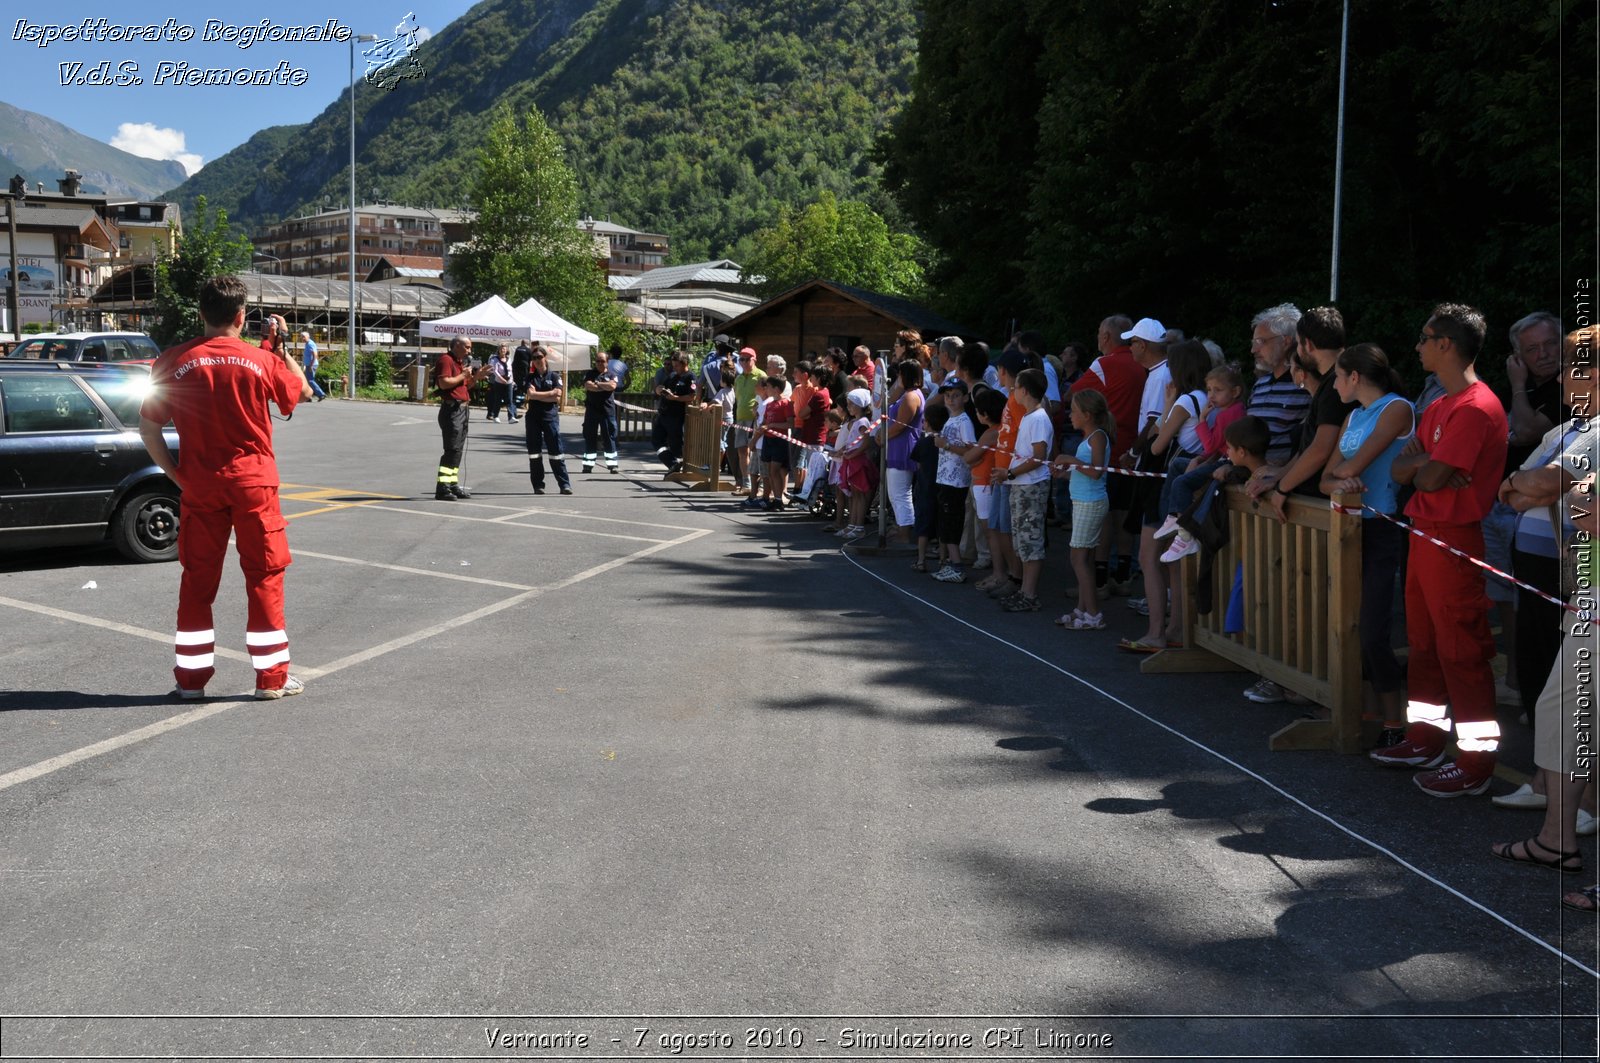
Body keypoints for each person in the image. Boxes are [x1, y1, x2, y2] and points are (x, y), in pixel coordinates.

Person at [137, 275, 312, 700]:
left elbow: (148, 429)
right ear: (241, 316)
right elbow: (303, 392)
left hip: (201, 485)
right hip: (254, 484)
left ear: (201, 314)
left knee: (197, 580)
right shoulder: (261, 360)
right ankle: (271, 679)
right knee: (264, 576)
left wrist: (178, 476)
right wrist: (283, 348)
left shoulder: (173, 361)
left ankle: (190, 682)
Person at [1374, 303, 1509, 797]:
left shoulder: (1474, 407)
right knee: (1425, 643)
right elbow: (1403, 471)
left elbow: (1423, 474)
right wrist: (1428, 466)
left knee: (1462, 651)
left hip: (1454, 539)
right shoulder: (1438, 406)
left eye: (1426, 338)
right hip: (1425, 531)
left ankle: (1475, 763)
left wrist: (1424, 467)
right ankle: (1425, 738)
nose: (1418, 346)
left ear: (1446, 345)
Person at [1318, 344, 1415, 745]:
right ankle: (1364, 709)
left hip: (1384, 527)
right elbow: (1327, 480)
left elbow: (1350, 468)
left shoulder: (1397, 408)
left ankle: (1395, 720)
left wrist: (1342, 475)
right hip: (1349, 529)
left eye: (1338, 376)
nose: (1334, 384)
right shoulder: (1353, 416)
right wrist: (1340, 478)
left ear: (1354, 376)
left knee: (1374, 628)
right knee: (1348, 623)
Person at [1051, 388, 1114, 629]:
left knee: (1078, 559)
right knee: (1082, 558)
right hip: (1082, 500)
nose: (1070, 416)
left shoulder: (1098, 436)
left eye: (1074, 411)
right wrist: (1065, 473)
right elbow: (1085, 473)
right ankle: (1082, 608)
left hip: (1090, 502)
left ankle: (1094, 615)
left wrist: (1071, 460)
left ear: (1087, 415)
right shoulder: (1090, 437)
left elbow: (1097, 472)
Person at [995, 367, 1053, 612]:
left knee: (1030, 541)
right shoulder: (1029, 417)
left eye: (1016, 386)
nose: (1013, 390)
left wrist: (1010, 472)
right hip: (1021, 485)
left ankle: (1029, 594)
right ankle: (1024, 591)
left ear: (1026, 391)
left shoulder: (1038, 418)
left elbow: (1038, 456)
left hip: (1031, 485)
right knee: (1022, 540)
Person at [1245, 303, 1312, 466]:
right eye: (1253, 342)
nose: (1253, 350)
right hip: (1249, 478)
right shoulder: (1259, 385)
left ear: (1286, 341)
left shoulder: (1305, 385)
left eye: (1260, 341)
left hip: (1283, 482)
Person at [431, 337, 489, 500]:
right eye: (467, 347)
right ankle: (442, 488)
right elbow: (444, 383)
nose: (470, 351)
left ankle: (452, 484)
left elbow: (465, 386)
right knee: (452, 450)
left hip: (462, 409)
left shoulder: (458, 362)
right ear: (457, 345)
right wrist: (463, 374)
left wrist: (476, 377)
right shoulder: (446, 360)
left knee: (457, 450)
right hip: (452, 409)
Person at [930, 379, 976, 582]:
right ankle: (951, 562)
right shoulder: (952, 418)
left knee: (951, 522)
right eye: (947, 395)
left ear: (965, 397)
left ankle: (957, 566)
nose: (950, 399)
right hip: (945, 478)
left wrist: (946, 445)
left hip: (956, 481)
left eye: (955, 395)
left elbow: (970, 450)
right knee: (945, 522)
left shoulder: (964, 421)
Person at [881, 359, 926, 542]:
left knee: (900, 493)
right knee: (896, 493)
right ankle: (902, 528)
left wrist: (882, 436)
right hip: (898, 446)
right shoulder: (908, 393)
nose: (898, 377)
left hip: (902, 447)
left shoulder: (911, 396)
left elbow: (900, 426)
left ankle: (905, 533)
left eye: (900, 374)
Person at [522, 345, 572, 495]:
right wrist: (549, 394)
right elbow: (531, 395)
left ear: (545, 358)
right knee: (534, 453)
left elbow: (557, 397)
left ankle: (564, 485)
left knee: (556, 452)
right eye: (534, 358)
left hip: (550, 417)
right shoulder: (530, 377)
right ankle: (538, 485)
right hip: (533, 418)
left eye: (539, 357)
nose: (537, 360)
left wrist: (541, 395)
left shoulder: (555, 377)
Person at [654, 352, 698, 471]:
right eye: (673, 366)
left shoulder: (690, 377)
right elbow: (663, 387)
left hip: (676, 417)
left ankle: (680, 465)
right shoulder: (673, 375)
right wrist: (659, 390)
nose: (674, 368)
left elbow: (692, 396)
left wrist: (676, 398)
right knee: (656, 441)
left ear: (685, 364)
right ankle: (672, 463)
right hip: (663, 414)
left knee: (676, 444)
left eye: (677, 366)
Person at [731, 346, 766, 495]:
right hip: (740, 418)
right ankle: (746, 484)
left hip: (755, 420)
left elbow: (765, 396)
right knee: (741, 451)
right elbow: (737, 398)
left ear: (754, 360)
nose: (744, 362)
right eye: (741, 359)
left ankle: (760, 487)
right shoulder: (738, 378)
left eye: (747, 359)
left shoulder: (761, 376)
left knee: (757, 452)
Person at [580, 348, 620, 474]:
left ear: (607, 362)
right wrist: (603, 386)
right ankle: (588, 465)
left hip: (607, 412)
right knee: (590, 437)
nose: (599, 363)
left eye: (602, 361)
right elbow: (588, 386)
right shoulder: (590, 374)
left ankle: (612, 465)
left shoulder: (612, 375)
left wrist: (597, 384)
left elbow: (612, 386)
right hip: (592, 411)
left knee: (608, 437)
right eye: (597, 361)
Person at [486, 344, 511, 423]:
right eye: (501, 349)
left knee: (508, 399)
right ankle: (491, 414)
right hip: (494, 380)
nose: (503, 350)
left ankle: (512, 415)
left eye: (504, 349)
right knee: (495, 398)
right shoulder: (493, 358)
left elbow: (510, 369)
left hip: (506, 381)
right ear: (498, 350)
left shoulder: (508, 359)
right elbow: (492, 370)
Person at [299, 331, 325, 401]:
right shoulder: (307, 344)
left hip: (311, 365)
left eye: (304, 337)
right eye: (302, 337)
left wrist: (311, 365)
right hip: (309, 364)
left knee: (310, 380)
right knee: (307, 380)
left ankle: (321, 394)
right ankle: (309, 396)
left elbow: (315, 354)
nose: (302, 338)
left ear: (308, 337)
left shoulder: (310, 344)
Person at [511, 340, 532, 422]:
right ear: (527, 344)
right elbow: (530, 361)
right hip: (524, 373)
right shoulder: (528, 350)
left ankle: (515, 410)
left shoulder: (518, 349)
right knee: (523, 390)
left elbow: (515, 360)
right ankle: (521, 404)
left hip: (516, 373)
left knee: (516, 392)